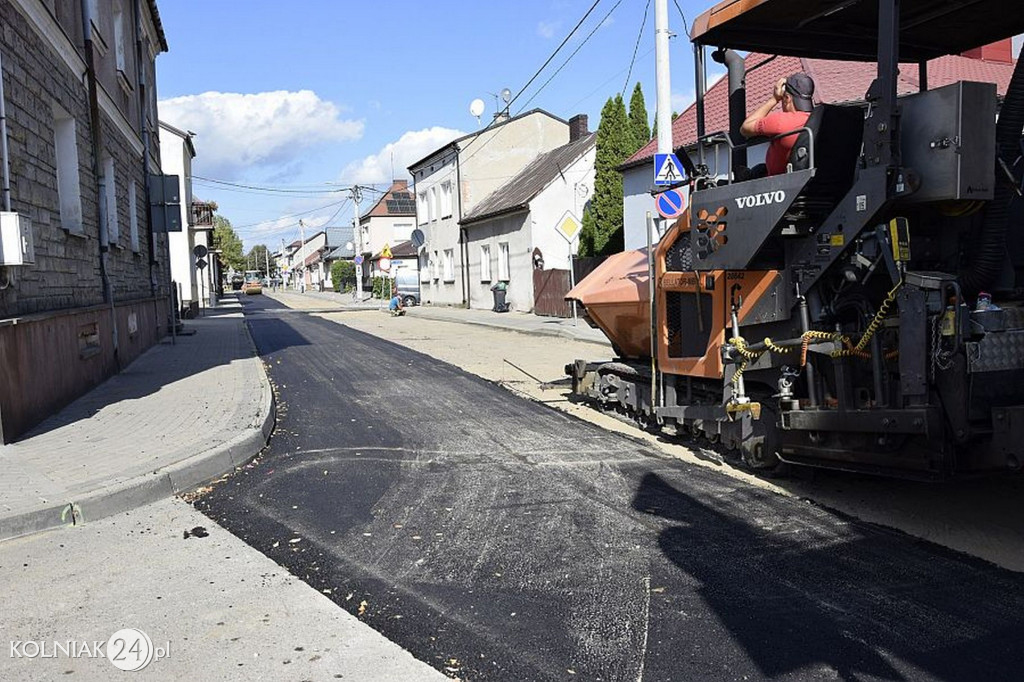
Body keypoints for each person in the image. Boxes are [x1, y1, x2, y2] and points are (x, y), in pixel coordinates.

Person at [739, 72, 815, 178]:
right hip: (808, 177)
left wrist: (775, 98)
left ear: (787, 98)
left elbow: (745, 128)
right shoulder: (817, 120)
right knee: (759, 169)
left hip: (778, 182)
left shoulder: (780, 121)